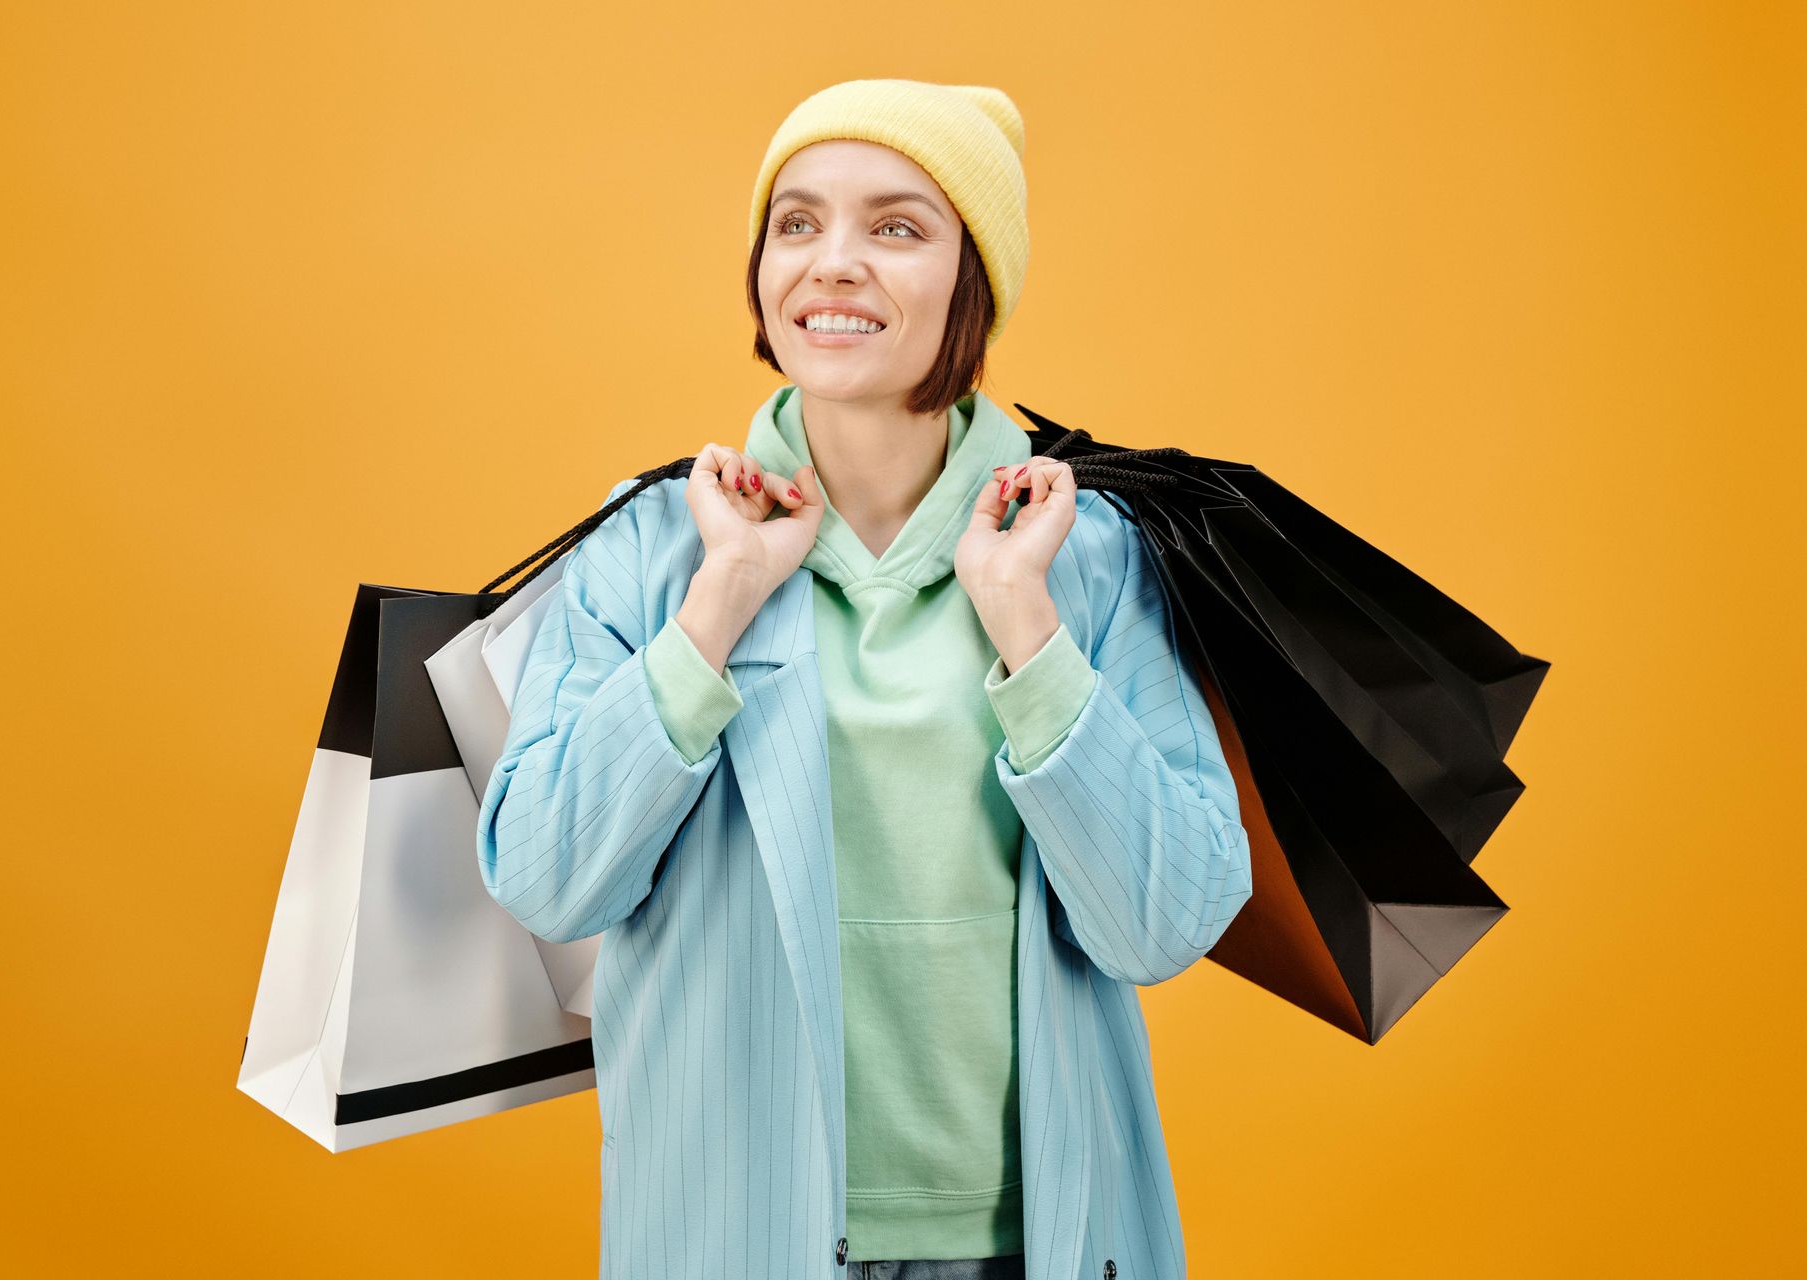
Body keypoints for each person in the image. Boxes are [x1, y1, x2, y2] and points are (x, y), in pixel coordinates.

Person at [476, 79, 1253, 1280]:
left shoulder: (1088, 556)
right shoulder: (648, 547)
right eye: (797, 223)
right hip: (734, 1226)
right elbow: (544, 876)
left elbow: (1168, 921)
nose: (832, 263)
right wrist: (719, 602)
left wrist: (1025, 625)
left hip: (1034, 1236)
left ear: (971, 281)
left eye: (896, 227)